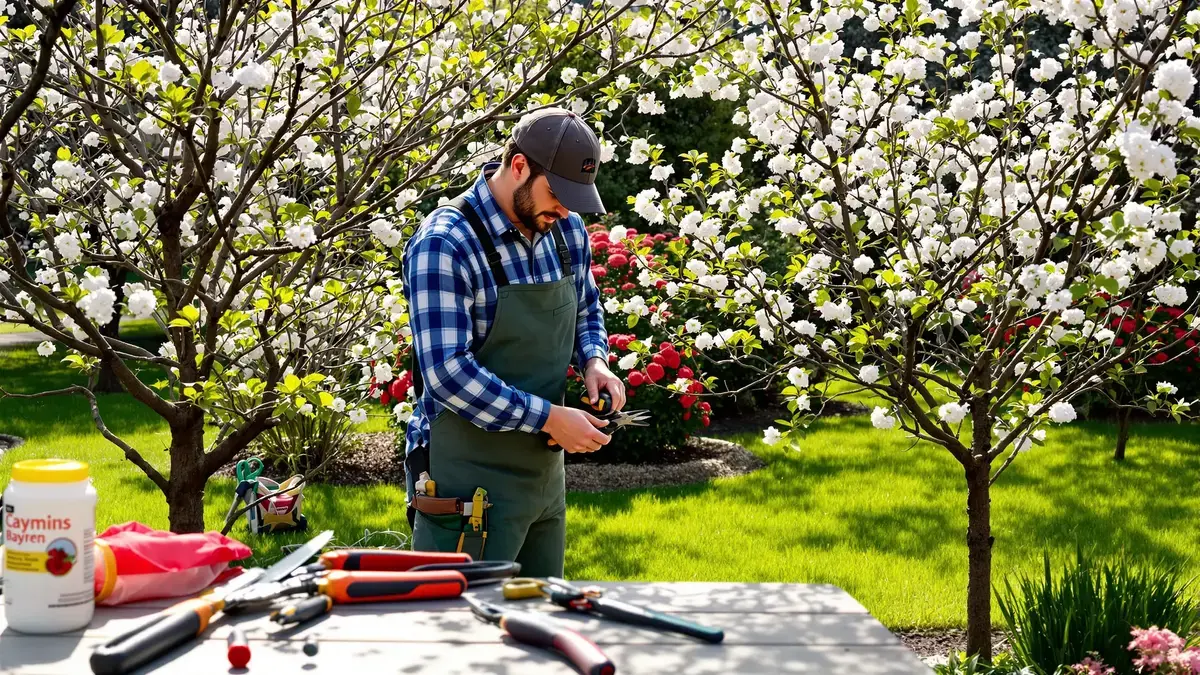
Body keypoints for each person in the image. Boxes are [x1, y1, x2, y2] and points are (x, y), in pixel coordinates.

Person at [401, 107, 626, 577]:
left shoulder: (565, 230)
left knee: (543, 625)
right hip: (468, 495)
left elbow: (586, 308)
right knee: (464, 639)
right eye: (557, 193)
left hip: (544, 486)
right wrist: (548, 417)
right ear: (519, 165)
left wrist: (594, 361)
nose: (565, 208)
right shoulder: (447, 243)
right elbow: (447, 375)